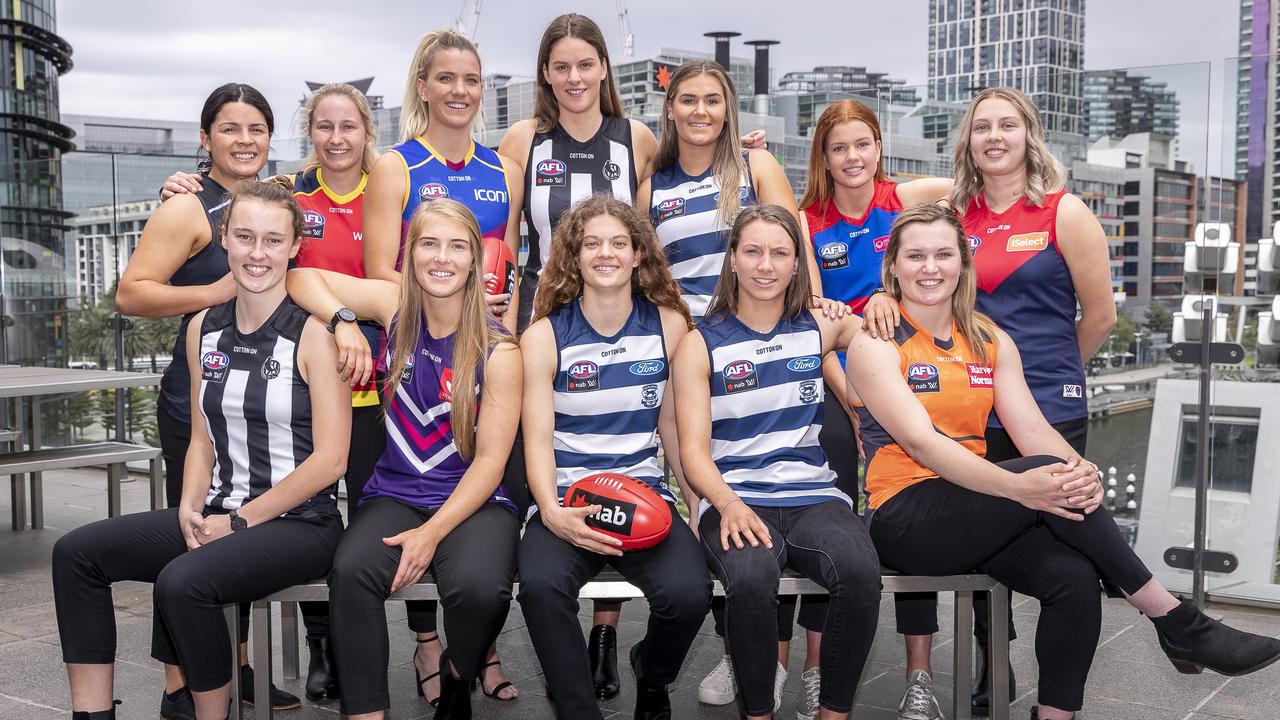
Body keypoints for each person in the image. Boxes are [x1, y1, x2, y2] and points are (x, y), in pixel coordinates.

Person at [847, 202, 1280, 720]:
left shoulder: (989, 339)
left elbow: (1031, 430)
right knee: (1035, 473)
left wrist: (1083, 473)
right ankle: (1177, 621)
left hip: (978, 507)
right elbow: (923, 444)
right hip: (905, 514)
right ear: (893, 265)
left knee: (1072, 579)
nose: (930, 267)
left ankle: (1056, 715)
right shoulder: (875, 344)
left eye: (943, 253)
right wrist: (1021, 488)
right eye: (915, 256)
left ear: (963, 261)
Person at [863, 85, 1119, 717]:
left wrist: (1050, 372)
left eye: (1009, 125)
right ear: (967, 142)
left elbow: (1103, 316)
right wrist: (878, 295)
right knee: (990, 514)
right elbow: (885, 201)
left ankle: (1137, 600)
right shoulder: (956, 211)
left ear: (1031, 134)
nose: (996, 137)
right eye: (982, 128)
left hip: (1039, 400)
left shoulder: (1065, 211)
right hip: (964, 390)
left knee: (1046, 515)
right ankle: (992, 663)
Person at [53, 180, 350, 720]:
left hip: (301, 523)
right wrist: (191, 508)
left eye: (272, 240)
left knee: (183, 583)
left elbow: (331, 461)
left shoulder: (315, 334)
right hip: (217, 512)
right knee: (76, 554)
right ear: (224, 239)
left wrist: (237, 522)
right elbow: (201, 439)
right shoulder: (201, 330)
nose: (257, 253)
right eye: (244, 237)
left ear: (293, 247)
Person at [162, 81, 385, 704]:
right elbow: (271, 245)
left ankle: (377, 665)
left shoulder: (390, 185)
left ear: (369, 132)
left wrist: (342, 321)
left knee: (356, 541)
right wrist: (186, 185)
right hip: (292, 369)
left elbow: (336, 277)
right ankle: (306, 659)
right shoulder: (290, 192)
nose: (337, 136)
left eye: (350, 126)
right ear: (309, 133)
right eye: (323, 125)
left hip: (366, 387)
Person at [287, 197, 521, 720]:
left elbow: (489, 464)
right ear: (410, 255)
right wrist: (344, 321)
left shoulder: (501, 351)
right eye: (429, 244)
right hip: (394, 493)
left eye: (457, 247)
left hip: (475, 499)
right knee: (350, 573)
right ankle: (366, 712)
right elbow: (301, 277)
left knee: (480, 589)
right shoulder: (394, 310)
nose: (442, 258)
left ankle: (458, 681)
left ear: (474, 261)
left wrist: (432, 533)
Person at [115, 83, 300, 715]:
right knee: (191, 539)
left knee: (240, 544)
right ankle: (179, 686)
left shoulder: (279, 201)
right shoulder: (189, 208)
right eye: (229, 128)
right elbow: (132, 294)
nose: (244, 140)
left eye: (256, 129)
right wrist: (215, 291)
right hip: (195, 407)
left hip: (262, 405)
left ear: (271, 140)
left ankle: (236, 670)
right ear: (205, 138)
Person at [646, 58, 822, 711]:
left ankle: (771, 665)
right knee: (710, 510)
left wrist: (819, 320)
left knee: (772, 499)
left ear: (729, 110)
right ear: (670, 110)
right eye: (687, 100)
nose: (698, 111)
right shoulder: (654, 184)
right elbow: (649, 277)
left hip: (768, 351)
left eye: (711, 101)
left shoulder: (755, 169)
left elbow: (793, 251)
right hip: (695, 360)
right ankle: (736, 650)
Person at [353, 28, 524, 702]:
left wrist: (496, 323)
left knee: (481, 515)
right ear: (422, 86)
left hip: (481, 358)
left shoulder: (503, 171)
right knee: (403, 500)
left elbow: (502, 270)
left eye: (472, 80)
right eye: (446, 78)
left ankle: (471, 651)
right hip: (411, 357)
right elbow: (377, 280)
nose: (459, 91)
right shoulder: (394, 166)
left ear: (483, 90)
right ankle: (430, 650)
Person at [673, 204, 882, 720]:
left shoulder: (820, 327)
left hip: (814, 495)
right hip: (736, 497)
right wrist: (727, 504)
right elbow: (692, 453)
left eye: (780, 253)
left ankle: (834, 713)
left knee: (860, 571)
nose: (766, 265)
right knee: (748, 579)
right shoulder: (698, 345)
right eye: (753, 251)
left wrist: (876, 306)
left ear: (796, 265)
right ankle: (758, 713)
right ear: (733, 260)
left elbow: (881, 348)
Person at [517, 193, 710, 719]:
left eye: (619, 243)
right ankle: (579, 710)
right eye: (593, 243)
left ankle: (652, 678)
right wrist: (551, 513)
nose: (606, 253)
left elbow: (673, 429)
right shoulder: (543, 337)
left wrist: (695, 506)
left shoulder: (669, 324)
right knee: (538, 586)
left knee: (691, 593)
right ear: (574, 256)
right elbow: (536, 438)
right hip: (568, 498)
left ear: (638, 255)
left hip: (643, 494)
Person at [799, 98, 952, 720]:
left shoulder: (904, 203)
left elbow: (962, 181)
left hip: (914, 376)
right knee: (828, 520)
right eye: (839, 147)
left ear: (880, 148)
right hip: (840, 376)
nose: (852, 158)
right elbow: (818, 321)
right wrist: (853, 399)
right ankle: (815, 670)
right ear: (824, 157)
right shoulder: (808, 222)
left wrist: (887, 296)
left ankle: (920, 675)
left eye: (863, 144)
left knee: (918, 515)